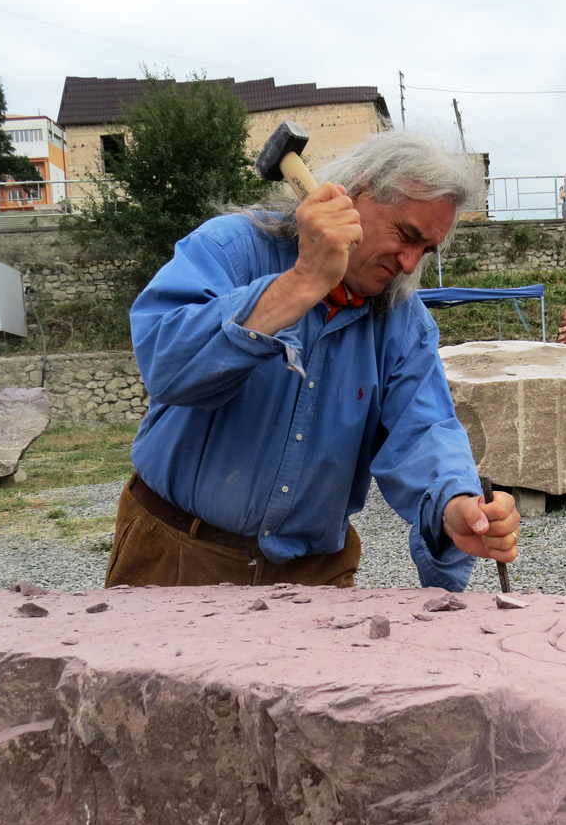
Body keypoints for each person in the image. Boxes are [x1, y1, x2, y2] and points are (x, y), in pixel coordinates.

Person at [105, 130, 520, 593]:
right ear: (355, 194)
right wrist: (302, 282)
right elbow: (167, 365)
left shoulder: (402, 321)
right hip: (176, 553)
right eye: (406, 235)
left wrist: (455, 504)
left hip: (315, 573)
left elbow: (425, 430)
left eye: (425, 250)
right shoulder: (231, 248)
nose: (409, 263)